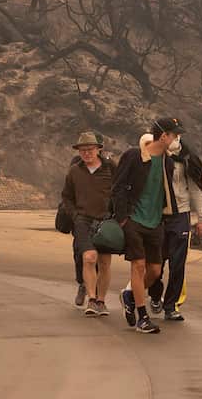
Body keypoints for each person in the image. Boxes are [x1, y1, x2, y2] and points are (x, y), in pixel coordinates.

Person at [114, 117, 184, 335]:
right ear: (164, 136)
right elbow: (117, 187)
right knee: (138, 266)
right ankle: (142, 317)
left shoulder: (168, 162)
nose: (176, 139)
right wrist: (123, 218)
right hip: (134, 220)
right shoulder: (134, 156)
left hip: (156, 222)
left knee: (154, 270)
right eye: (174, 135)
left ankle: (129, 296)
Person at [147, 135, 202, 322]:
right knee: (156, 261)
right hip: (157, 215)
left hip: (181, 215)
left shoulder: (187, 160)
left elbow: (195, 189)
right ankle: (155, 294)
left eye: (175, 135)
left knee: (178, 263)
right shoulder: (153, 157)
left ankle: (171, 305)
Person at [60, 131, 115, 317]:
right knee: (89, 258)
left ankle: (101, 301)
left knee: (105, 262)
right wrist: (75, 215)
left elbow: (120, 192)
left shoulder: (110, 168)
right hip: (83, 220)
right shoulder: (74, 171)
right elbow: (66, 196)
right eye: (82, 150)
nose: (86, 153)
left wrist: (117, 215)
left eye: (90, 149)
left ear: (98, 149)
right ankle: (91, 300)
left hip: (106, 221)